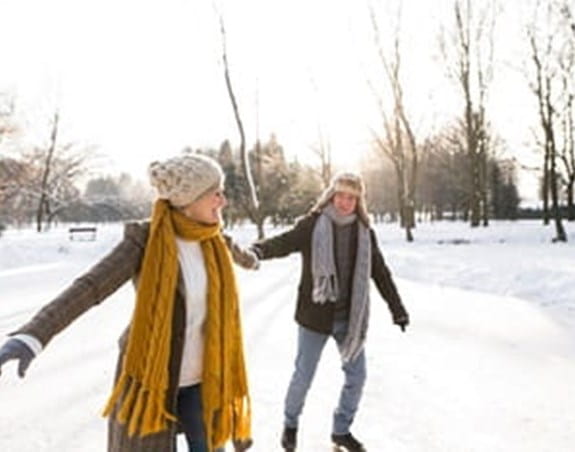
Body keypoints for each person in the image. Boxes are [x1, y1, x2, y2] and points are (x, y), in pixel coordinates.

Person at [0, 153, 258, 452]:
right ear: (190, 200)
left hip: (206, 378)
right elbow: (91, 286)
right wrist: (34, 334)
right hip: (152, 377)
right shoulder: (146, 241)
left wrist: (255, 259)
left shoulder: (214, 239)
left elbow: (239, 253)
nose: (223, 201)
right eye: (216, 194)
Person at [251, 172, 409, 452]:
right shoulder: (313, 225)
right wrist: (258, 251)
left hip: (350, 319)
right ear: (332, 195)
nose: (345, 202)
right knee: (304, 375)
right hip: (314, 317)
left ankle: (341, 431)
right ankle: (290, 424)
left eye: (352, 197)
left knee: (357, 377)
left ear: (358, 200)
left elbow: (380, 273)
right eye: (341, 195)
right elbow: (284, 242)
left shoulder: (365, 233)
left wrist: (397, 309)